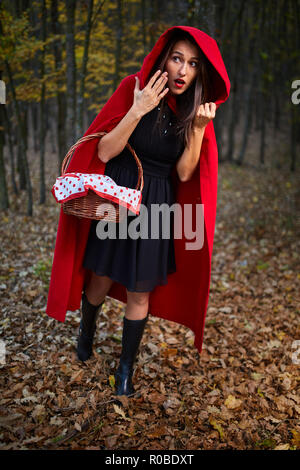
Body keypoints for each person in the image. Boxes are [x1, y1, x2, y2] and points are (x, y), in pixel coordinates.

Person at [46, 26, 230, 397]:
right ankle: (87, 332)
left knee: (139, 290)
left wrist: (196, 131)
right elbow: (103, 152)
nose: (182, 70)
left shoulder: (194, 110)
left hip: (157, 203)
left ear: (199, 72)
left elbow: (183, 173)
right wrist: (138, 108)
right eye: (177, 58)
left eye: (192, 64)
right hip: (118, 194)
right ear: (164, 57)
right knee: (99, 276)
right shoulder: (135, 87)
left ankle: (125, 369)